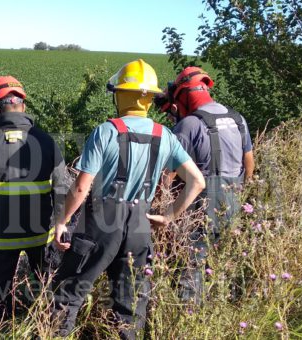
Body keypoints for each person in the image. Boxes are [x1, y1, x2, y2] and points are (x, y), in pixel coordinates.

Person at [51, 59, 206, 339]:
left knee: (68, 294)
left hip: (100, 219)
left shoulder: (106, 131)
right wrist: (169, 215)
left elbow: (82, 186)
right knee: (129, 306)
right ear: (149, 99)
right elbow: (198, 181)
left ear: (121, 94)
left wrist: (61, 221)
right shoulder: (166, 136)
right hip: (139, 224)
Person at [0, 75, 67, 319]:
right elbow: (62, 189)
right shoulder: (46, 141)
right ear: (23, 106)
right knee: (47, 288)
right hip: (40, 234)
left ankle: (0, 328)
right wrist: (62, 226)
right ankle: (45, 326)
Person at [156, 66, 255, 303]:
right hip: (232, 201)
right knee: (220, 261)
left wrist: (160, 208)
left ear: (183, 94)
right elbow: (249, 165)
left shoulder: (188, 125)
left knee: (191, 265)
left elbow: (167, 174)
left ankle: (187, 317)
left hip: (200, 206)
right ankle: (221, 305)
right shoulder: (238, 119)